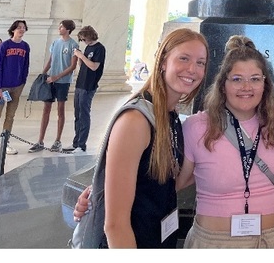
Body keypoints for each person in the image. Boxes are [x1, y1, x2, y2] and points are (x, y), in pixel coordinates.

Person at [75, 27, 209, 248]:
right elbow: (115, 225)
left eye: (200, 63)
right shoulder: (135, 121)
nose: (192, 69)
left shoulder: (170, 116)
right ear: (163, 61)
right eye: (184, 58)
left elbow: (158, 184)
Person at [181, 35, 274, 248]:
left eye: (255, 79)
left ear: (265, 85)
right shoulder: (197, 127)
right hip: (216, 244)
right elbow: (179, 181)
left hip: (273, 240)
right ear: (223, 85)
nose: (246, 87)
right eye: (237, 79)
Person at [29, 20, 78, 153]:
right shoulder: (55, 43)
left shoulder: (73, 44)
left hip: (63, 82)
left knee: (60, 110)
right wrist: (43, 74)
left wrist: (57, 77)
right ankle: (40, 140)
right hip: (50, 80)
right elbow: (50, 60)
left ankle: (57, 141)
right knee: (46, 109)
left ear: (68, 29)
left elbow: (72, 66)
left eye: (61, 26)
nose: (59, 28)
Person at [62, 25, 106, 154]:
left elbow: (94, 66)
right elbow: (84, 65)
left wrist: (81, 56)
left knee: (84, 115)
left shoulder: (99, 48)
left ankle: (82, 145)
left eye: (83, 39)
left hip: (89, 85)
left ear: (89, 36)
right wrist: (79, 57)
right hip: (80, 83)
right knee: (77, 114)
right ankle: (76, 142)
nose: (83, 41)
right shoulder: (88, 47)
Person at [0, 20, 30, 155]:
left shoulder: (25, 46)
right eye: (19, 27)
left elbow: (26, 65)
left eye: (23, 28)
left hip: (17, 86)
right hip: (2, 87)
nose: (21, 29)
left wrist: (23, 81)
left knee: (10, 115)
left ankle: (5, 141)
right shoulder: (4, 46)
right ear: (13, 29)